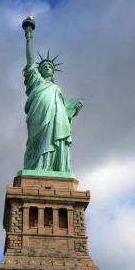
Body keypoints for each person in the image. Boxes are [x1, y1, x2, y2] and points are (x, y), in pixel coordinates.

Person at [21, 17, 83, 172]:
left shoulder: (56, 89)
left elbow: (63, 113)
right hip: (39, 116)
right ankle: (38, 166)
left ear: (53, 71)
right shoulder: (36, 80)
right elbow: (30, 60)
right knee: (38, 143)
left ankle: (51, 167)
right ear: (39, 70)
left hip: (56, 119)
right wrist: (29, 36)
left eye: (50, 65)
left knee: (55, 138)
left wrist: (71, 109)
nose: (47, 66)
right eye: (44, 65)